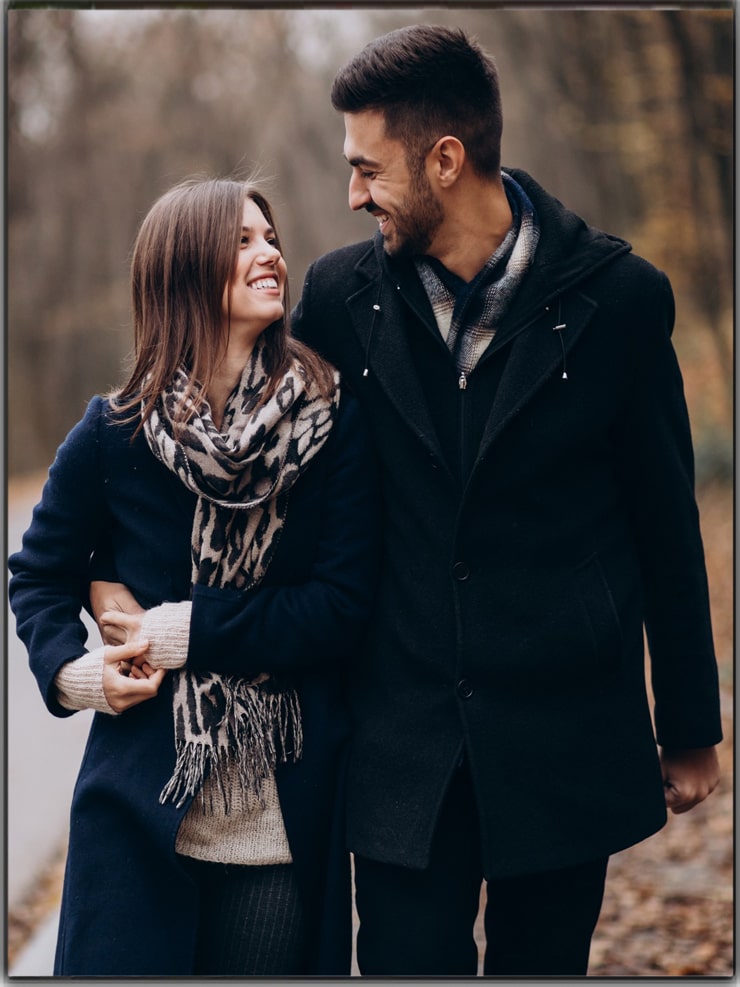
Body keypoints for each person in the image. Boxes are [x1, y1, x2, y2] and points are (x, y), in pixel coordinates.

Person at [287, 24, 723, 976]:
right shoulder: (334, 298)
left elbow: (665, 520)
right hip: (401, 740)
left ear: (445, 160)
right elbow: (271, 475)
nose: (351, 194)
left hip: (565, 734)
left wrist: (690, 722)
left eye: (367, 168)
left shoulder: (621, 301)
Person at [8, 177, 378, 976]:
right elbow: (38, 573)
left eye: (270, 236)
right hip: (136, 813)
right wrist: (79, 676)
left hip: (275, 822)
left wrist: (179, 629)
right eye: (241, 240)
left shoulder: (329, 422)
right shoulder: (113, 436)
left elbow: (339, 608)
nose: (270, 253)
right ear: (184, 270)